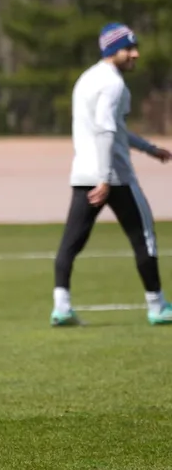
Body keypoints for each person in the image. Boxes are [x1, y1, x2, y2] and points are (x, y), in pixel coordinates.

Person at [51, 22, 172, 327]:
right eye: (128, 49)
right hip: (114, 177)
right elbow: (106, 129)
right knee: (144, 238)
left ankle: (61, 307)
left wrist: (148, 148)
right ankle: (157, 306)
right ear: (112, 50)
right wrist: (105, 178)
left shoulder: (86, 79)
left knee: (71, 243)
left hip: (84, 174)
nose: (135, 54)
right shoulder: (114, 84)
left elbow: (114, 129)